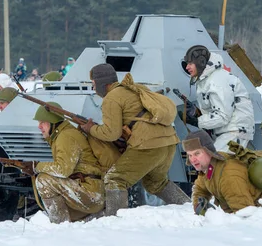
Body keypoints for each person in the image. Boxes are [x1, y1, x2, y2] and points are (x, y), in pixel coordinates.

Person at [80, 63, 189, 216]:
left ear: (102, 83)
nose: (93, 88)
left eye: (93, 83)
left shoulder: (111, 98)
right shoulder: (131, 89)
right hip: (168, 142)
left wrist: (90, 129)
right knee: (156, 183)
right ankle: (190, 208)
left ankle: (115, 220)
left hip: (147, 144)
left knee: (114, 178)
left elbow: (111, 133)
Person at [184, 130, 262, 214]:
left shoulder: (228, 176)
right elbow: (201, 187)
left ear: (208, 151)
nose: (193, 160)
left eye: (197, 153)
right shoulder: (209, 167)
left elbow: (245, 214)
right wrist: (198, 205)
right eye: (190, 155)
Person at [32, 102, 104, 223]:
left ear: (53, 122)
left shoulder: (66, 136)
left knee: (43, 180)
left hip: (91, 193)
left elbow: (63, 169)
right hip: (88, 191)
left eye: (42, 122)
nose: (39, 126)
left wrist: (37, 166)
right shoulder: (62, 135)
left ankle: (59, 225)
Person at [182, 45, 255, 152]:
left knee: (216, 162)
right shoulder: (208, 79)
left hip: (234, 132)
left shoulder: (217, 81)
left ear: (201, 62)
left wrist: (197, 121)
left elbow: (223, 116)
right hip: (227, 131)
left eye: (190, 63)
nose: (187, 67)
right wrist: (196, 112)